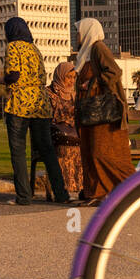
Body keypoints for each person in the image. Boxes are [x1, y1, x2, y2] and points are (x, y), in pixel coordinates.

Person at [0, 16, 70, 206]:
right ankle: (61, 194)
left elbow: (13, 76)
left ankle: (24, 196)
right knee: (47, 151)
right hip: (40, 104)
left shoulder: (13, 47)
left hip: (20, 104)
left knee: (18, 151)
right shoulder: (34, 49)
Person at [73, 18, 132, 205]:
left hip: (104, 115)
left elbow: (114, 71)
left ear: (88, 31)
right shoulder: (86, 53)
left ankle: (132, 187)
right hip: (91, 114)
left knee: (104, 152)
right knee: (90, 152)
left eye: (79, 32)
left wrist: (94, 82)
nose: (77, 36)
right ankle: (96, 192)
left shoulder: (98, 48)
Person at [46, 61, 84, 202]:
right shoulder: (50, 93)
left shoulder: (75, 94)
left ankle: (83, 189)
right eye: (68, 77)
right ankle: (62, 191)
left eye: (73, 78)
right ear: (61, 76)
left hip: (74, 135)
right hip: (57, 135)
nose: (71, 81)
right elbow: (49, 118)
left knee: (85, 148)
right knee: (65, 149)